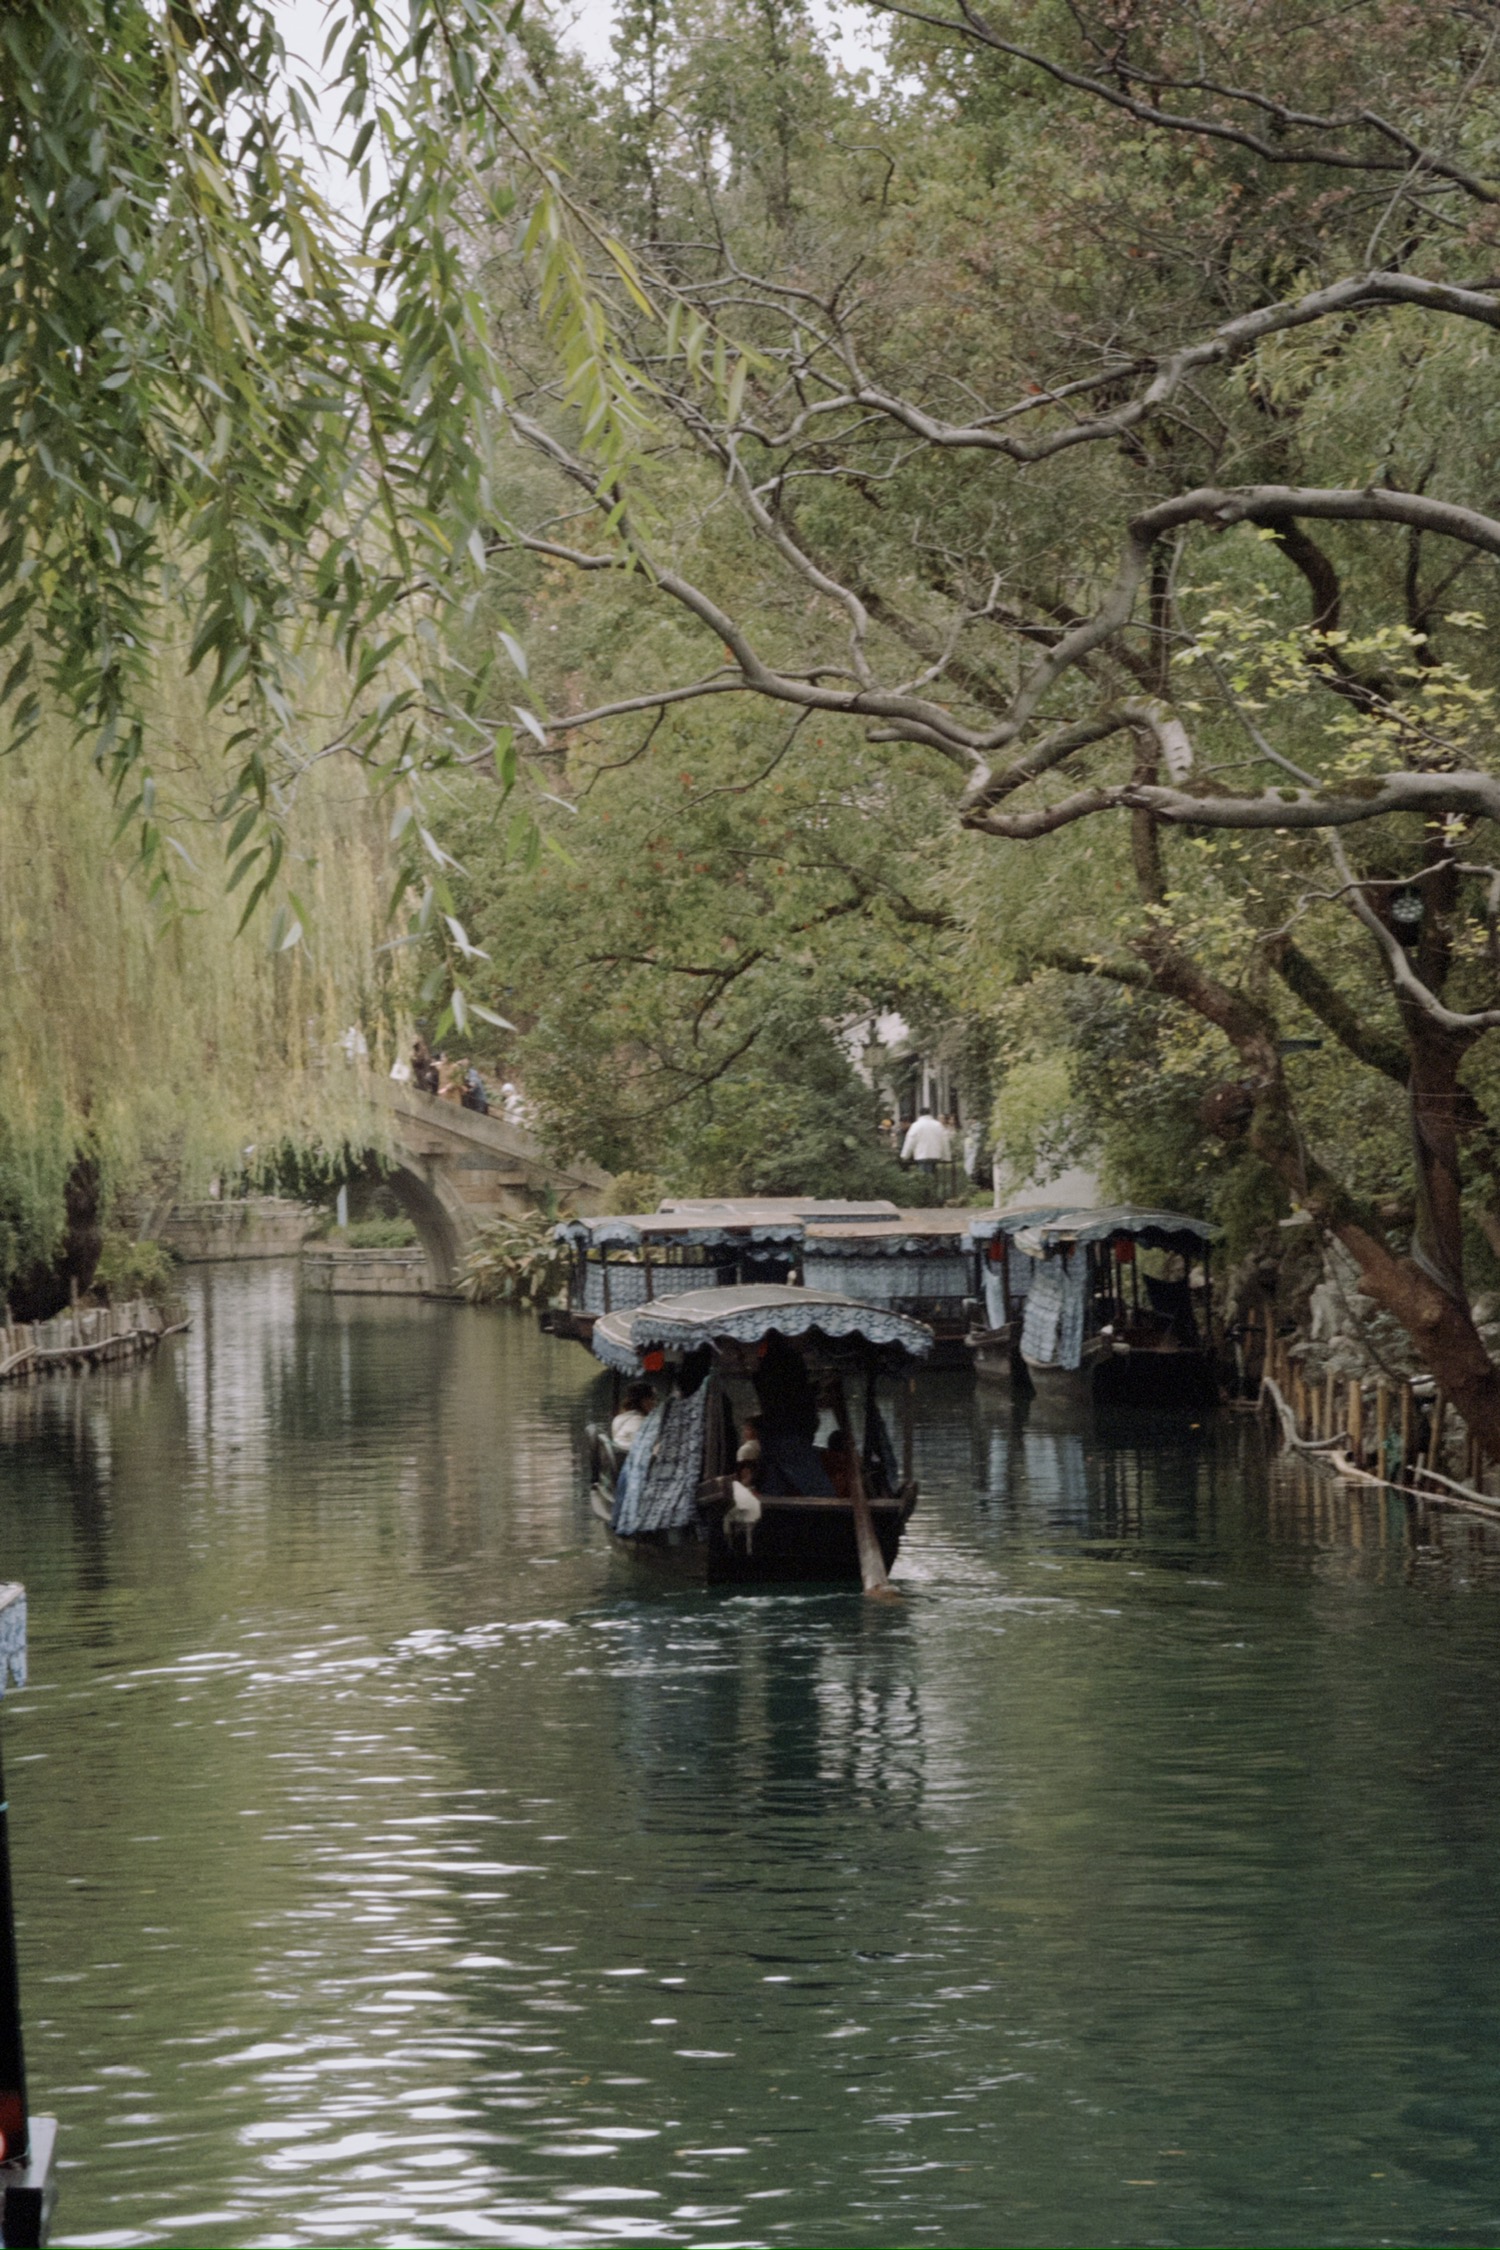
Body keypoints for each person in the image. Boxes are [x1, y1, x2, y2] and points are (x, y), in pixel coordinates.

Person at [900, 1106, 952, 1174]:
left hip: (921, 1155)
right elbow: (944, 1141)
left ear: (920, 1114)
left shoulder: (916, 1125)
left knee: (924, 1174)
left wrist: (905, 1155)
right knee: (933, 1173)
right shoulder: (938, 1125)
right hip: (935, 1155)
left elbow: (910, 1141)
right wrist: (947, 1157)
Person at [611, 1382, 657, 1452]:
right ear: (644, 1401)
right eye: (653, 1399)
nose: (655, 1403)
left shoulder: (618, 1418)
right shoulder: (640, 1422)